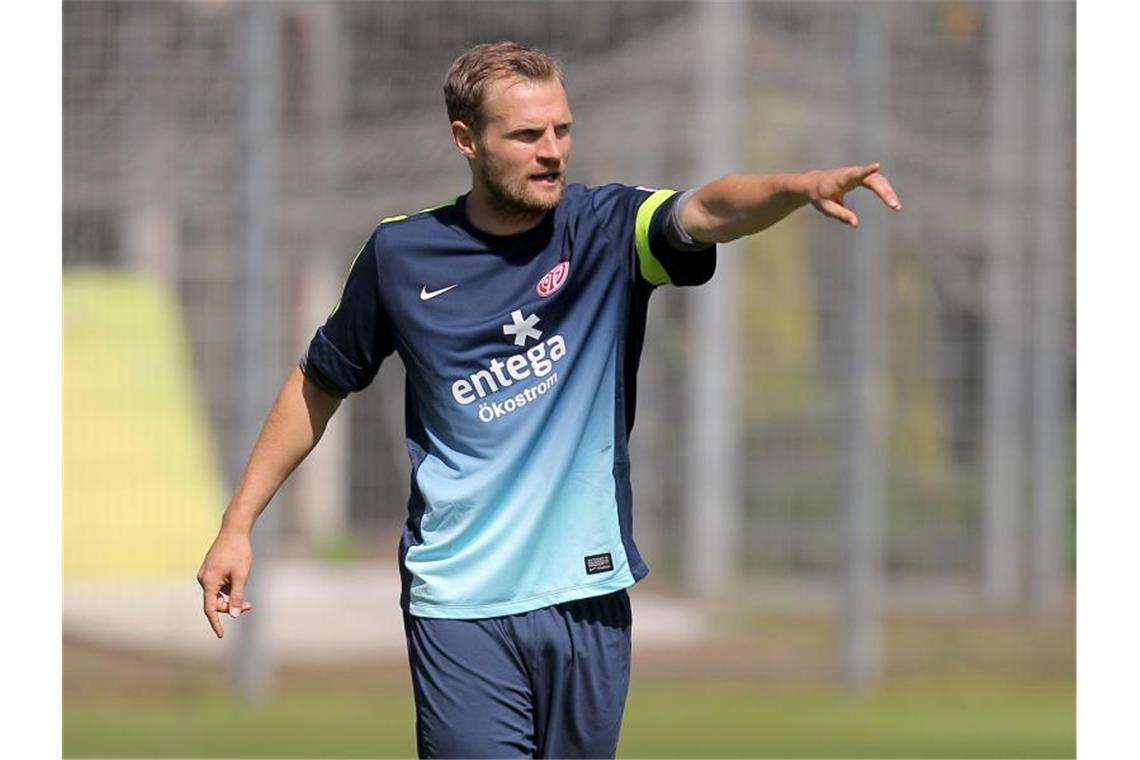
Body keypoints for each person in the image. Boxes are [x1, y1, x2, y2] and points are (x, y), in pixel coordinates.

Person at [197, 41, 902, 758]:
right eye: (527, 135)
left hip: (587, 596)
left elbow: (708, 209)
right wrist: (238, 523)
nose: (552, 151)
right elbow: (319, 382)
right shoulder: (400, 256)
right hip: (461, 602)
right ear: (466, 141)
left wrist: (796, 186)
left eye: (562, 130)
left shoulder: (607, 229)